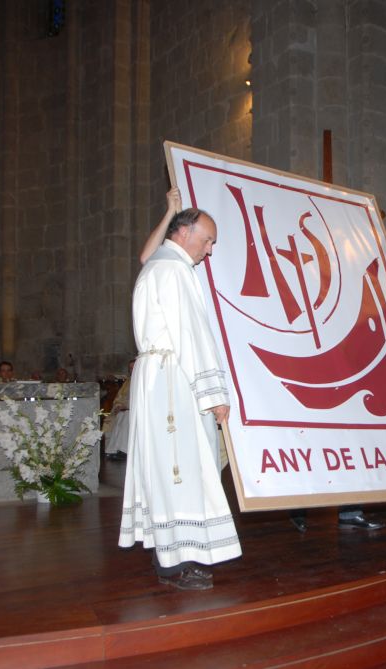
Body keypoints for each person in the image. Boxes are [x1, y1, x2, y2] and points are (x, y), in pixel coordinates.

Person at [118, 195, 241, 591]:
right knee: (177, 469)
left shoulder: (159, 264)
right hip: (173, 379)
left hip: (160, 376)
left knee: (169, 470)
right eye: (207, 241)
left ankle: (174, 556)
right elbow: (191, 333)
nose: (209, 250)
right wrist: (214, 392)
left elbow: (143, 254)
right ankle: (173, 562)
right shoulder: (173, 269)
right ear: (185, 233)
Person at [103, 359, 134, 461]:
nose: (132, 370)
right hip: (124, 409)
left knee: (125, 418)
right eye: (130, 368)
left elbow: (142, 400)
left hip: (134, 410)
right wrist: (117, 405)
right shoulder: (127, 382)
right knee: (117, 417)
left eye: (134, 367)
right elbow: (119, 397)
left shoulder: (143, 381)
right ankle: (113, 450)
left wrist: (126, 406)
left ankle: (124, 451)